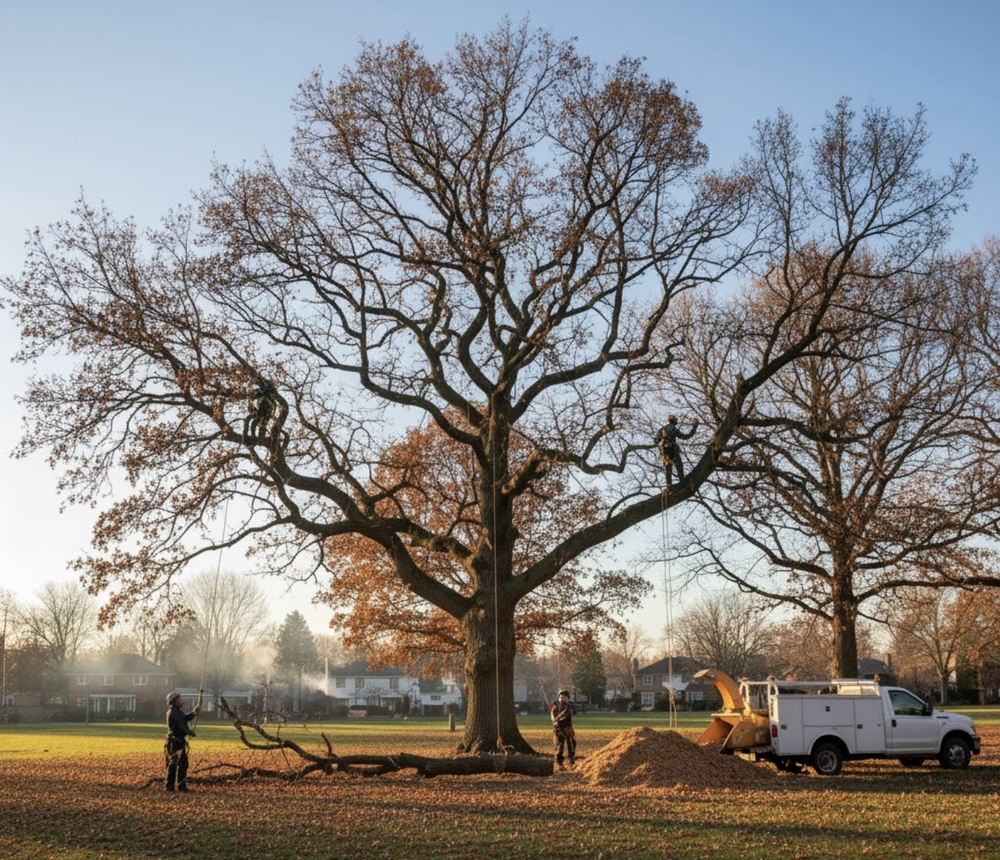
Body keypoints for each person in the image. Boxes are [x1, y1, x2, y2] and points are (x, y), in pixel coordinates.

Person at [165, 691, 200, 792]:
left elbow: (184, 718)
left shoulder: (175, 711)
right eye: (179, 700)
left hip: (175, 742)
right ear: (174, 701)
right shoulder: (175, 712)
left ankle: (172, 786)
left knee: (177, 763)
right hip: (176, 743)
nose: (182, 701)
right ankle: (176, 786)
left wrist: (193, 713)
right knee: (178, 764)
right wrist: (190, 732)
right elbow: (181, 726)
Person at [655, 415, 698, 485]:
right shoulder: (674, 429)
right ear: (673, 421)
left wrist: (661, 441)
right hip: (673, 450)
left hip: (665, 451)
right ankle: (682, 481)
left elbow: (656, 440)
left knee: (668, 468)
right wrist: (694, 427)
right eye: (676, 420)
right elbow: (685, 436)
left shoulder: (662, 429)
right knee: (679, 466)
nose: (677, 421)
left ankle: (669, 485)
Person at [550, 689, 577, 768]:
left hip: (567, 727)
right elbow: (553, 716)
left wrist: (559, 717)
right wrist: (555, 720)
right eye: (561, 697)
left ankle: (571, 759)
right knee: (559, 744)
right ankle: (559, 761)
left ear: (567, 698)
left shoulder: (570, 706)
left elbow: (571, 713)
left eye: (564, 697)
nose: (562, 699)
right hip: (558, 728)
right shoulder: (555, 706)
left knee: (571, 743)